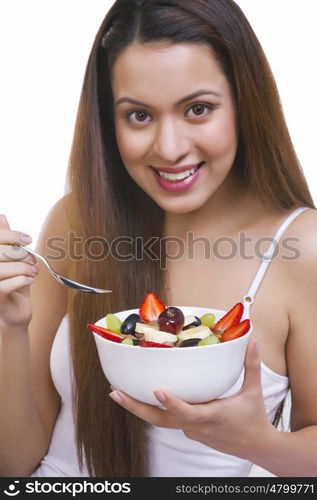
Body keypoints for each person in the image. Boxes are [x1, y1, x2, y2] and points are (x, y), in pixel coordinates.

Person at [0, 0, 316, 478]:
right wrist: (8, 330)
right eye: (139, 116)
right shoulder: (76, 222)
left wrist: (257, 444)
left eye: (197, 109)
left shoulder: (301, 247)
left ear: (245, 102)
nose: (169, 148)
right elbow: (17, 464)